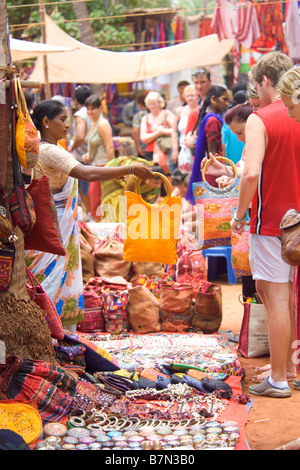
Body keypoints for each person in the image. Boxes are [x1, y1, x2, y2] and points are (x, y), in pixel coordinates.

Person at [27, 100, 153, 332]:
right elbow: (87, 172)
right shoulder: (50, 150)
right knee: (52, 280)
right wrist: (130, 168)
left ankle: (55, 333)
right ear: (46, 122)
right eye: (63, 119)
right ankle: (54, 333)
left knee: (51, 279)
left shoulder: (42, 148)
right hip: (55, 222)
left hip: (53, 221)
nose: (68, 125)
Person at [231, 52, 300, 398]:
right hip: (295, 220)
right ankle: (287, 367)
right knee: (287, 296)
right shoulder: (295, 113)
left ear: (266, 82)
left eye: (256, 84)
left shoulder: (261, 119)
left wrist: (240, 215)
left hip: (272, 220)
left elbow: (251, 172)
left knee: (274, 296)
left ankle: (278, 379)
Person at [186, 85, 231, 203]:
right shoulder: (213, 121)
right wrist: (220, 173)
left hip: (212, 170)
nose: (227, 103)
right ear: (213, 99)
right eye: (224, 99)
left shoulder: (209, 118)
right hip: (215, 172)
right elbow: (213, 153)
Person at [83, 94, 115, 222]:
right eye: (88, 109)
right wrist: (88, 155)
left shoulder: (102, 124)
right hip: (95, 166)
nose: (90, 112)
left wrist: (111, 169)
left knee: (99, 202)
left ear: (100, 108)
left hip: (103, 167)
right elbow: (95, 145)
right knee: (95, 200)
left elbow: (110, 147)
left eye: (93, 109)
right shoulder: (93, 123)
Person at [68, 85, 92, 218]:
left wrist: (71, 147)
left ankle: (89, 213)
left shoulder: (80, 114)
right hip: (89, 155)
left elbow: (80, 136)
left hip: (83, 157)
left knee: (84, 188)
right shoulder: (90, 112)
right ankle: (91, 212)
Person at [140, 91, 178, 175]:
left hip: (167, 151)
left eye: (154, 103)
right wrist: (158, 132)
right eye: (150, 104)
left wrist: (175, 150)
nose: (152, 106)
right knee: (153, 176)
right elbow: (143, 138)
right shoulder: (145, 118)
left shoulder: (167, 114)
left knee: (169, 176)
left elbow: (174, 131)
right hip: (151, 153)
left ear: (160, 103)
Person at [184, 68, 212, 151]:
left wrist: (194, 142)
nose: (199, 86)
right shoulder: (200, 102)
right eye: (196, 83)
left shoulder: (214, 100)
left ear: (209, 81)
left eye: (202, 82)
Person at [132, 93, 148, 158]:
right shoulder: (154, 113)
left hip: (143, 147)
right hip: (156, 148)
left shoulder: (138, 116)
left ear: (139, 104)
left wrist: (137, 147)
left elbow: (135, 131)